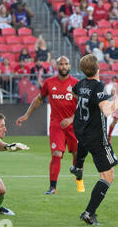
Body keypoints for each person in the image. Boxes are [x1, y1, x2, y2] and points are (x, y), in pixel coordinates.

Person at [72, 54, 118, 225]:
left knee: (103, 170)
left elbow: (74, 94)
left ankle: (77, 166)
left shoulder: (81, 84)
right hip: (97, 137)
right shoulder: (98, 86)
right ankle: (89, 213)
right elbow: (108, 111)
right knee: (108, 175)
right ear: (97, 68)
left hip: (82, 132)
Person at [16, 56, 83, 194]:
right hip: (56, 124)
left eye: (66, 64)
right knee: (56, 154)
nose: (63, 66)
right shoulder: (49, 83)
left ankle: (79, 180)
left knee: (76, 154)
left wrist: (71, 119)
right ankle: (53, 187)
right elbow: (39, 99)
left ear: (69, 66)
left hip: (73, 125)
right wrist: (26, 115)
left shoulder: (76, 84)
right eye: (61, 64)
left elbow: (83, 106)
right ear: (56, 66)